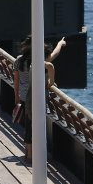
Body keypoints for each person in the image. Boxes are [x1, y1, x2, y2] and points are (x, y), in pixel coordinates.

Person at [13, 36, 65, 164]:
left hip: (24, 96)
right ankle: (31, 157)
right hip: (37, 97)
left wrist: (16, 97)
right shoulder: (40, 60)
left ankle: (27, 152)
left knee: (28, 124)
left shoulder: (19, 60)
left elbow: (16, 81)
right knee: (34, 126)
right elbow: (54, 57)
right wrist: (50, 83)